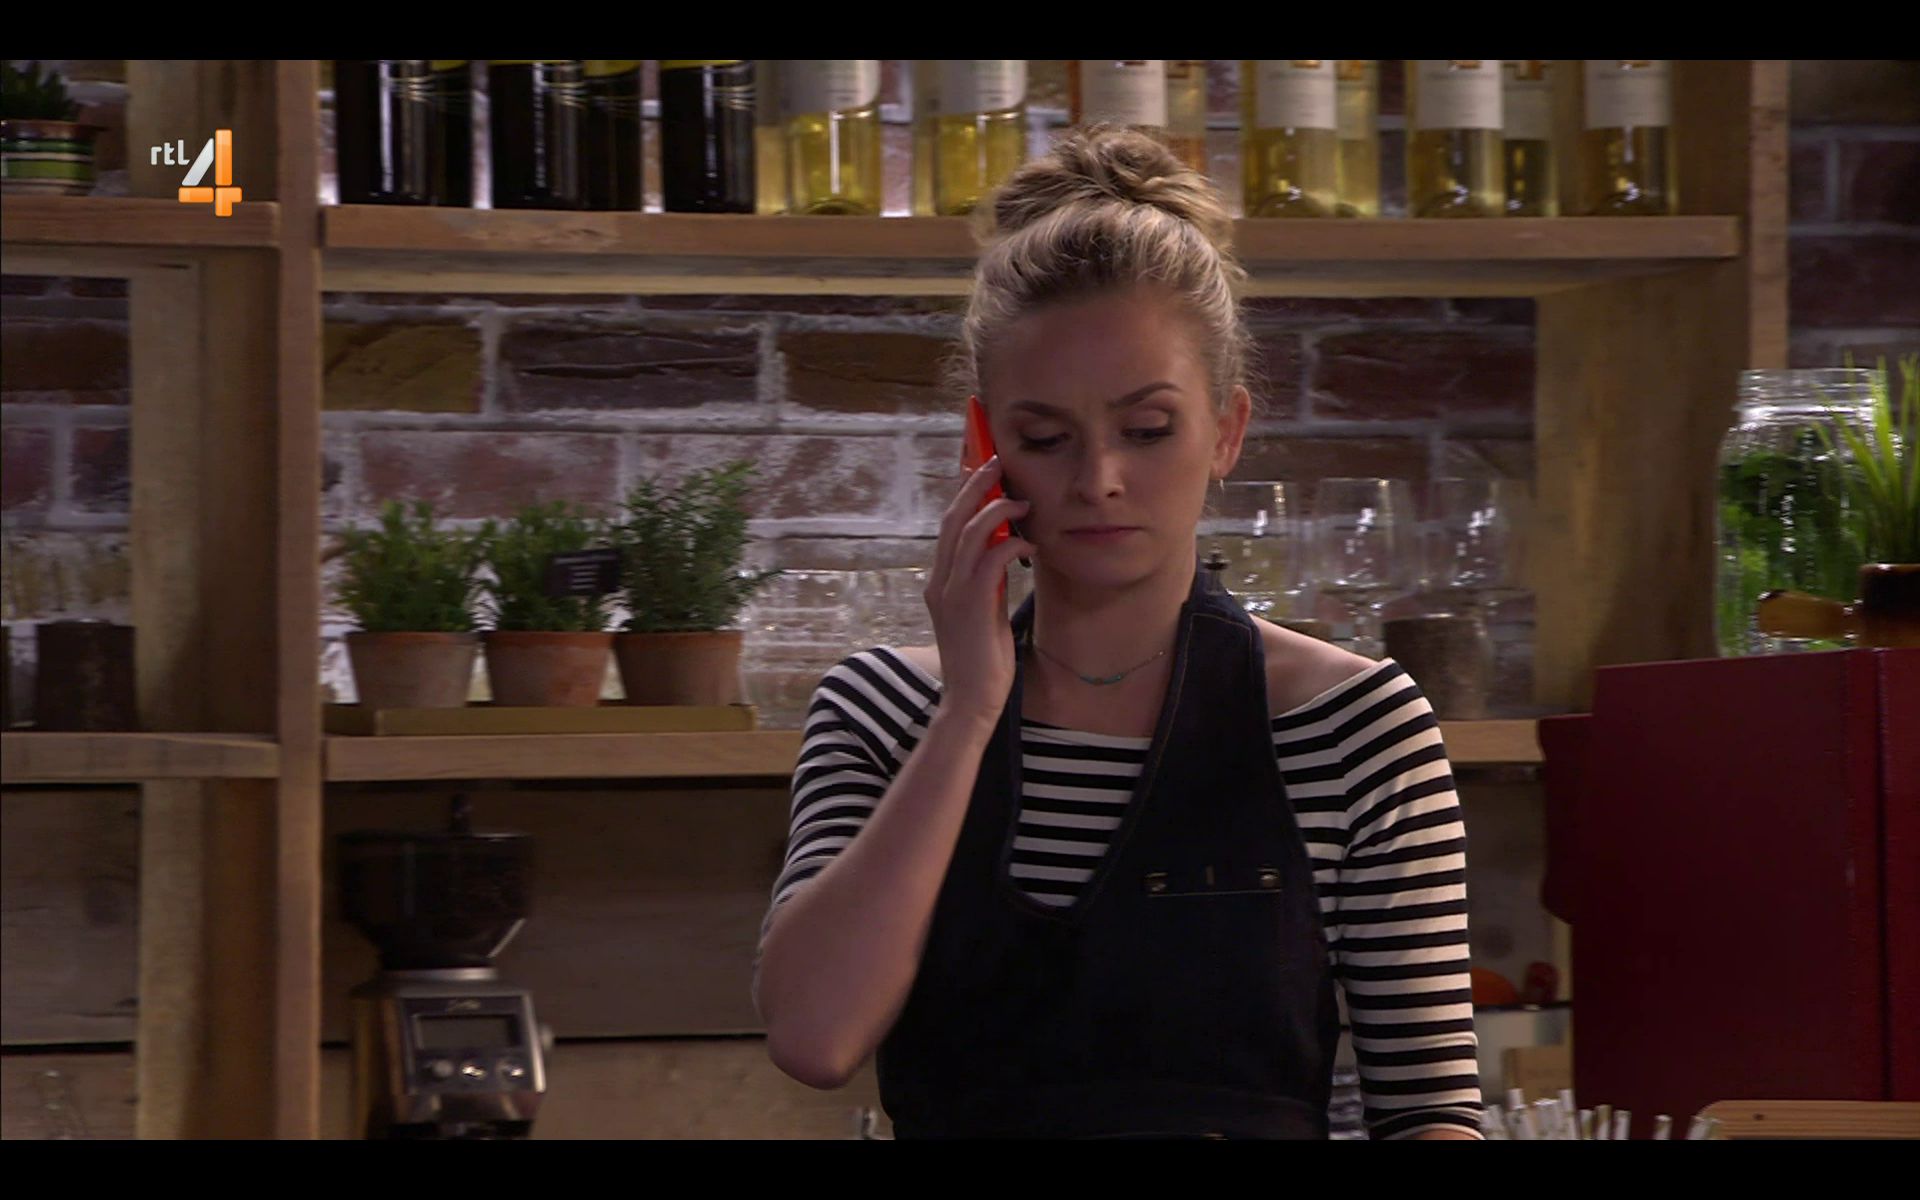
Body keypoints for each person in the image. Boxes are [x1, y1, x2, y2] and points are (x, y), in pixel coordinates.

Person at [751, 124, 1482, 1140]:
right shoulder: (885, 709)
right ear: (984, 446)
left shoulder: (1357, 725)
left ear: (1226, 431)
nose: (1098, 479)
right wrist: (969, 710)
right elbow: (814, 1037)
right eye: (1046, 437)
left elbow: (1431, 1108)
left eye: (1147, 430)